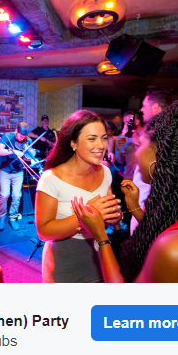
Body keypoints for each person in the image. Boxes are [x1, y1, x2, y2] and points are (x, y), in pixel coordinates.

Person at [72, 98, 178, 283]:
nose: (135, 153)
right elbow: (164, 227)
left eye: (138, 145)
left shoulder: (175, 250)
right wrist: (135, 208)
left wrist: (100, 237)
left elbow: (128, 306)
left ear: (160, 156)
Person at [35, 110, 122, 283]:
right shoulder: (52, 178)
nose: (101, 145)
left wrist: (115, 216)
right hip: (65, 263)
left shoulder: (105, 172)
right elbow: (43, 232)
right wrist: (85, 217)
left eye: (104, 138)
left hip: (100, 255)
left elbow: (109, 214)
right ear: (73, 143)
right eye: (92, 139)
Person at [129, 88, 171, 235]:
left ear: (155, 107)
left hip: (148, 207)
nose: (141, 109)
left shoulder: (162, 133)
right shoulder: (161, 129)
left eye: (144, 105)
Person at [0, 122, 36, 231]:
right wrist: (12, 151)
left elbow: (29, 158)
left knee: (16, 195)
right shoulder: (7, 137)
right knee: (5, 195)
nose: (22, 139)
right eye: (20, 136)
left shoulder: (27, 140)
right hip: (5, 171)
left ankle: (13, 218)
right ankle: (2, 217)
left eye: (24, 137)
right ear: (16, 131)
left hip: (18, 171)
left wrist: (27, 154)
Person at [115, 110, 143, 180]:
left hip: (144, 180)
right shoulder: (123, 139)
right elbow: (120, 160)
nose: (125, 126)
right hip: (129, 178)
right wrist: (122, 138)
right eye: (124, 123)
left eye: (127, 122)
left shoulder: (146, 137)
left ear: (136, 122)